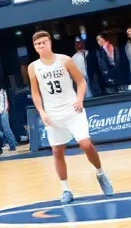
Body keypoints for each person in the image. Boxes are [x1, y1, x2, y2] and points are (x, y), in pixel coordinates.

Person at [28, 31, 115, 204]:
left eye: (43, 42)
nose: (41, 46)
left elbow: (81, 81)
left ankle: (100, 173)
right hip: (52, 113)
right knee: (57, 151)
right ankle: (65, 189)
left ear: (50, 42)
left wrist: (80, 99)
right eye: (38, 44)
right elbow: (35, 93)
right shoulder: (33, 67)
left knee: (86, 144)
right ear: (35, 47)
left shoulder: (65, 60)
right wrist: (42, 112)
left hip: (72, 108)